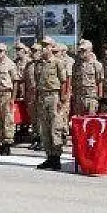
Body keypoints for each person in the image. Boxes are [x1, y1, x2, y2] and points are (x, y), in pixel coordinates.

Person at [34, 37, 69, 171]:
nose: (44, 48)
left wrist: (62, 98)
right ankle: (49, 156)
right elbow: (38, 83)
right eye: (43, 45)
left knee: (55, 127)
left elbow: (64, 81)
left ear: (52, 47)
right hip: (42, 96)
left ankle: (56, 157)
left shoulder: (57, 62)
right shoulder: (40, 64)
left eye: (47, 45)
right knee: (44, 128)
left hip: (54, 96)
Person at [0, 41, 20, 155]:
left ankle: (7, 145)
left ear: (5, 52)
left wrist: (13, 98)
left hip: (6, 94)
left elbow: (15, 81)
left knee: (7, 120)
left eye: (0, 51)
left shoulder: (10, 64)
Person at [72, 39, 103, 115]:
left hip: (91, 98)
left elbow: (99, 82)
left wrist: (99, 99)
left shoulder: (96, 65)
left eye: (84, 50)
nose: (82, 52)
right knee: (79, 122)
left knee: (90, 122)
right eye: (81, 50)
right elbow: (74, 82)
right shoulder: (76, 65)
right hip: (79, 98)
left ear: (90, 50)